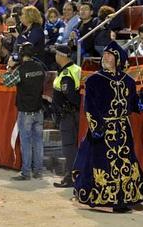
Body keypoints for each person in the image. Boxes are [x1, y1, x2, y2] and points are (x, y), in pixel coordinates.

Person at [73, 41, 143, 213]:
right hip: (102, 129)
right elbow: (89, 107)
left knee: (126, 163)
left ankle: (124, 199)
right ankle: (104, 199)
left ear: (118, 59)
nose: (105, 57)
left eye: (110, 54)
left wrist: (142, 101)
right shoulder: (94, 80)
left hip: (123, 130)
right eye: (105, 54)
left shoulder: (128, 81)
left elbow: (134, 107)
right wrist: (97, 128)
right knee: (101, 164)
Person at [3, 42, 46, 181]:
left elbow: (7, 82)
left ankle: (26, 172)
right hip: (39, 109)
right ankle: (38, 171)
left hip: (26, 111)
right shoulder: (40, 67)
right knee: (38, 142)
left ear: (22, 54)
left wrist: (9, 67)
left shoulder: (21, 70)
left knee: (26, 142)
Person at [51, 45, 81, 188]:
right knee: (71, 147)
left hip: (68, 115)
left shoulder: (67, 73)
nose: (55, 56)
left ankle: (71, 177)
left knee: (69, 148)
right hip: (71, 114)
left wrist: (67, 110)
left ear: (62, 56)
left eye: (56, 54)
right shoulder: (73, 69)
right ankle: (72, 175)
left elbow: (70, 95)